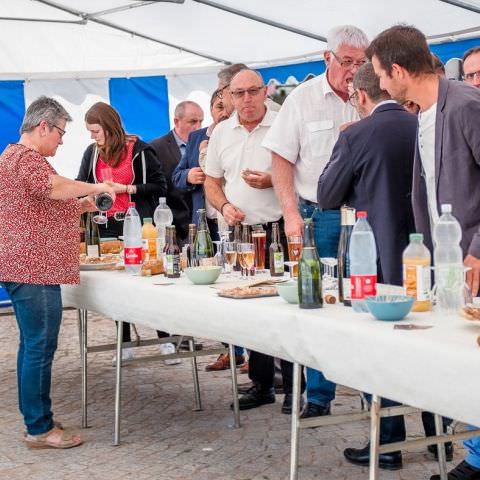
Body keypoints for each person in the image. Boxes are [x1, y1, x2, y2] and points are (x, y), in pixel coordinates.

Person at [367, 24, 480, 480]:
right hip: (448, 262)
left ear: (398, 69)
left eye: (379, 74)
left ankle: (474, 463)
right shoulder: (425, 113)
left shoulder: (467, 105)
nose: (379, 84)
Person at [319, 63, 443, 471]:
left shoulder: (355, 134)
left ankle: (387, 445)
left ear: (360, 96)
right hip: (431, 254)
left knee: (380, 352)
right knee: (430, 346)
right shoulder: (421, 122)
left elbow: (326, 194)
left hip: (377, 256)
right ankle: (438, 438)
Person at [262, 24, 369, 420]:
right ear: (328, 58)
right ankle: (319, 395)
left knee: (364, 297)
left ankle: (371, 391)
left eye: (361, 62)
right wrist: (291, 215)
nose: (354, 70)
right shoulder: (303, 100)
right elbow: (280, 159)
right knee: (318, 302)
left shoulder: (372, 95)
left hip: (365, 216)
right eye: (347, 62)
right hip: (318, 214)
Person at [0, 96, 115, 449]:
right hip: (33, 267)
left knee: (33, 346)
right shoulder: (26, 158)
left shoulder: (14, 158)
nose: (62, 140)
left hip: (27, 264)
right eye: (61, 133)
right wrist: (96, 186)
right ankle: (39, 428)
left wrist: (81, 206)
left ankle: (38, 417)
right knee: (39, 347)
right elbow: (53, 188)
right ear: (43, 126)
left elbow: (41, 207)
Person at [204, 69, 306, 414]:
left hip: (280, 228)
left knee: (286, 308)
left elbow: (304, 174)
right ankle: (261, 384)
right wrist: (225, 205)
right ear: (229, 97)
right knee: (250, 309)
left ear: (266, 92)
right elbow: (211, 182)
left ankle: (295, 388)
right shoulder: (221, 133)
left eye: (252, 92)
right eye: (239, 93)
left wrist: (274, 182)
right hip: (241, 234)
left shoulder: (284, 121)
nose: (246, 99)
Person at [77, 102, 169, 363]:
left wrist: (124, 188)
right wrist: (91, 193)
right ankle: (124, 341)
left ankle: (165, 338)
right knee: (117, 288)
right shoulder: (91, 153)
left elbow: (159, 186)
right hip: (106, 225)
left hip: (137, 223)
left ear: (108, 127)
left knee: (147, 283)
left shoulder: (139, 150)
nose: (92, 136)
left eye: (95, 130)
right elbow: (81, 182)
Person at [150, 101, 204, 244]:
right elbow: (155, 193)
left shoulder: (205, 143)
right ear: (176, 121)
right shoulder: (156, 148)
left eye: (201, 121)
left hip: (201, 226)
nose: (198, 126)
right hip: (172, 230)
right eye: (192, 121)